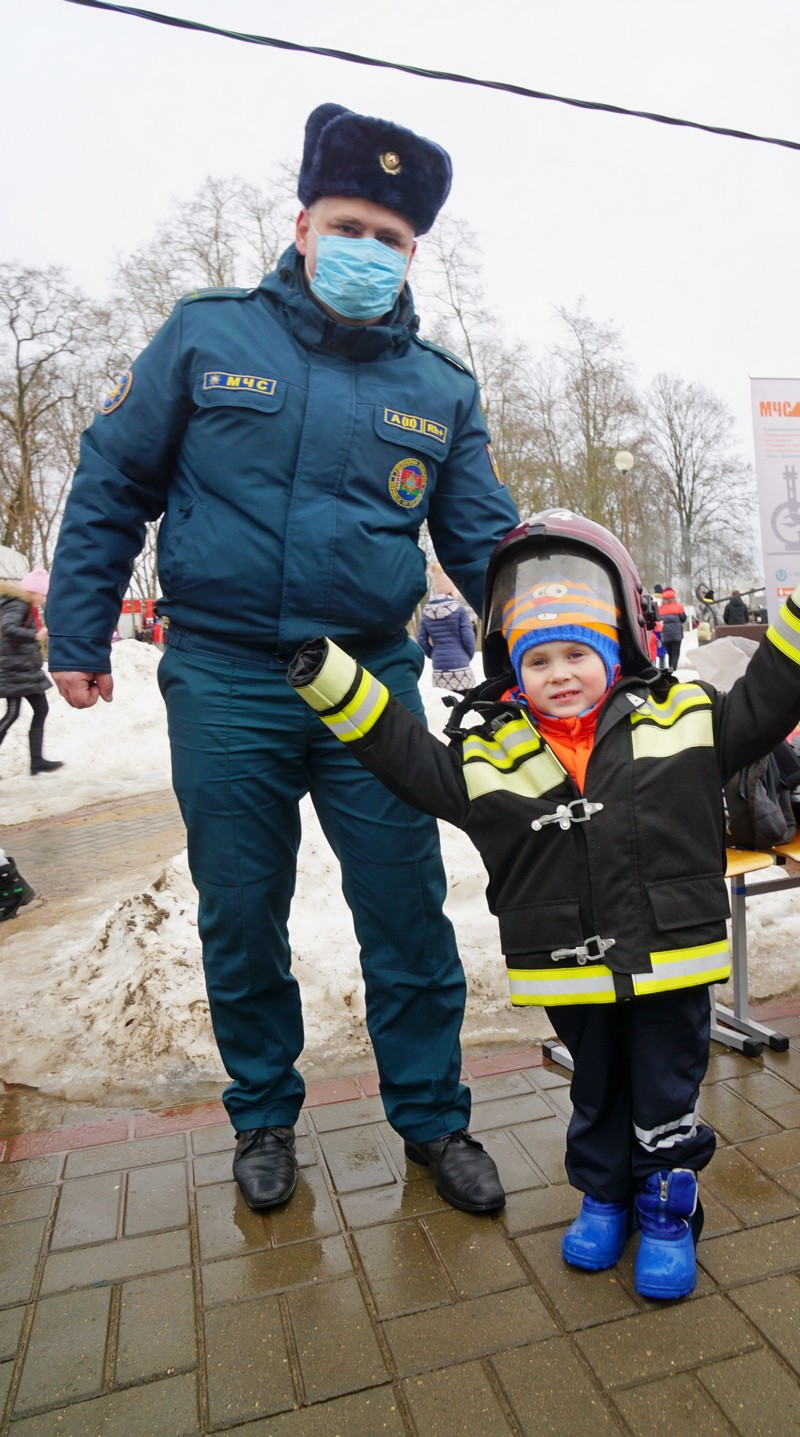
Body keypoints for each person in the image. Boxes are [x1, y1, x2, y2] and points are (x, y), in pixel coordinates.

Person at [45, 102, 519, 1215]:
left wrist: (565, 628)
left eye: (392, 239)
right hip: (226, 675)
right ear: (303, 224)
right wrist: (77, 631)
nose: (368, 251)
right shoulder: (207, 334)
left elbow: (487, 542)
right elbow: (113, 478)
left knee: (405, 907)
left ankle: (436, 1120)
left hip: (372, 681)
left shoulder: (441, 388)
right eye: (350, 224)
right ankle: (262, 1114)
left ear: (415, 252)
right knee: (240, 908)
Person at [287, 510, 800, 1298]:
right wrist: (323, 671)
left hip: (670, 958)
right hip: (566, 965)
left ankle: (668, 1208)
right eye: (539, 659)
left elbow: (776, 686)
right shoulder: (487, 749)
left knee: (667, 1087)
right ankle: (604, 1193)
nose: (560, 673)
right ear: (513, 667)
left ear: (614, 650)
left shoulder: (685, 716)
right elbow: (398, 752)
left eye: (578, 653)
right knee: (596, 1085)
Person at [0, 567, 63, 776]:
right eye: (43, 594)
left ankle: (37, 761)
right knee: (11, 714)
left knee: (41, 709)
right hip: (14, 670)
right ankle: (36, 762)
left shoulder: (27, 606)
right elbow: (7, 627)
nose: (44, 599)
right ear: (33, 591)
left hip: (25, 671)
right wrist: (35, 635)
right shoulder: (18, 604)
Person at [416, 567, 476, 692]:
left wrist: (433, 654)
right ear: (450, 589)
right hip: (460, 663)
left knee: (445, 703)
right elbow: (468, 637)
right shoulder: (459, 609)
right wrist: (467, 655)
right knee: (465, 702)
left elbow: (421, 639)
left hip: (439, 664)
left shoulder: (426, 611)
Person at [656, 586, 686, 670]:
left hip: (665, 634)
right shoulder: (678, 607)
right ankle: (672, 668)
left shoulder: (659, 608)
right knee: (675, 652)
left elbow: (657, 620)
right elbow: (683, 619)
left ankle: (670, 668)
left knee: (670, 653)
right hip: (677, 634)